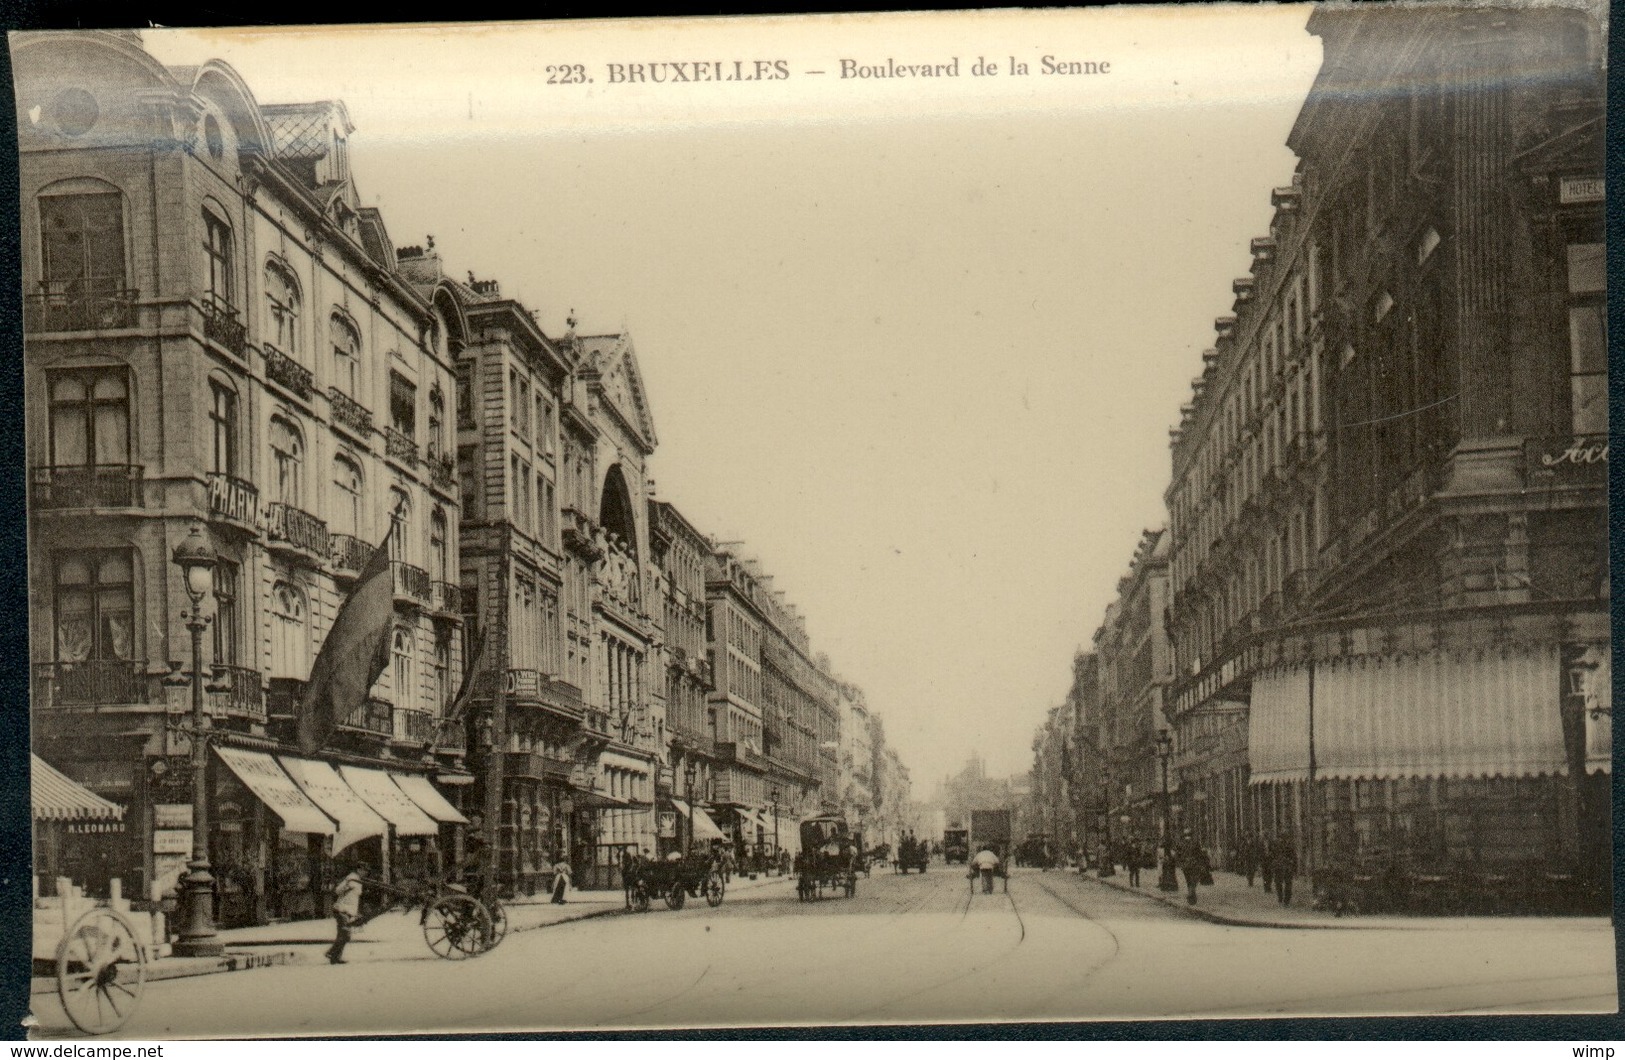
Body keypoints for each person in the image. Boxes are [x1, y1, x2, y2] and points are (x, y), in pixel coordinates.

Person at [325, 863, 367, 965]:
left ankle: (334, 957)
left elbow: (354, 898)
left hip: (348, 911)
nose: (365, 873)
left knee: (344, 935)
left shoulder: (357, 880)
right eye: (364, 870)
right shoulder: (351, 879)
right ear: (359, 870)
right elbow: (338, 890)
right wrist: (347, 886)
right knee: (345, 934)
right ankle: (331, 953)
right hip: (342, 910)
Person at [1174, 831, 1208, 905]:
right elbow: (1199, 854)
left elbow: (1177, 854)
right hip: (1194, 864)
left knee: (1188, 879)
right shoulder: (1195, 843)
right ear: (1191, 835)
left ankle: (1191, 893)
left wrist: (1180, 862)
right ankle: (1191, 892)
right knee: (1194, 879)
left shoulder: (1181, 843)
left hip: (1185, 865)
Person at [1271, 833, 1298, 907]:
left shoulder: (1290, 846)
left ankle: (1286, 900)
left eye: (1285, 838)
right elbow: (1272, 856)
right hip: (1279, 867)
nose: (1283, 840)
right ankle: (1280, 898)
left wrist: (1294, 868)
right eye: (1281, 838)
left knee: (1288, 884)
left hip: (1287, 867)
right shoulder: (1276, 846)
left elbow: (1294, 857)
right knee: (1278, 883)